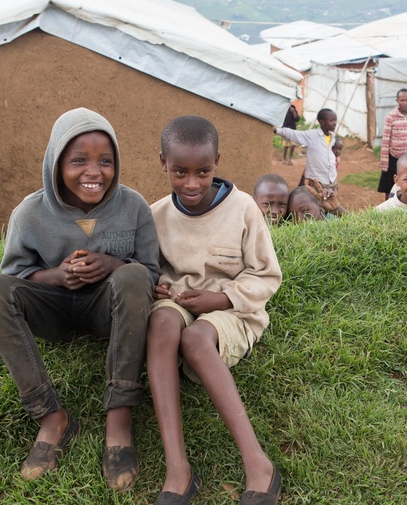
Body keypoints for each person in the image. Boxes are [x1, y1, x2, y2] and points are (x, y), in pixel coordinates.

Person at [0, 108, 160, 490]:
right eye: (79, 160)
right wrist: (56, 275)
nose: (94, 172)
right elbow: (16, 274)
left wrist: (111, 264)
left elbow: (150, 274)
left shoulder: (134, 206)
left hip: (106, 311)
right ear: (56, 163)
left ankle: (119, 418)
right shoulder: (29, 213)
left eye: (105, 161)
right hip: (53, 309)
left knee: (134, 274)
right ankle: (51, 417)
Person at [146, 116, 283, 505]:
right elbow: (149, 269)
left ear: (217, 161)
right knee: (161, 323)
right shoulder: (156, 216)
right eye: (180, 172)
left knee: (196, 337)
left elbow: (267, 276)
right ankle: (178, 469)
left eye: (203, 172)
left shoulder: (243, 209)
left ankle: (258, 463)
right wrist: (154, 285)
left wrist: (221, 299)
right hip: (179, 302)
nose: (192, 183)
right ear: (163, 163)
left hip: (233, 309)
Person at [274, 108, 338, 200]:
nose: (335, 123)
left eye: (335, 120)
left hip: (331, 179)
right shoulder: (312, 136)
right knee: (316, 202)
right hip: (317, 180)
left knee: (330, 202)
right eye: (331, 120)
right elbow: (294, 134)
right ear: (322, 122)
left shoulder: (332, 137)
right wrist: (277, 130)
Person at [379, 89, 407, 200]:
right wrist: (384, 163)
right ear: (397, 100)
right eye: (402, 100)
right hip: (394, 157)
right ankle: (387, 209)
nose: (405, 103)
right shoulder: (391, 116)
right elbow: (386, 140)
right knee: (389, 187)